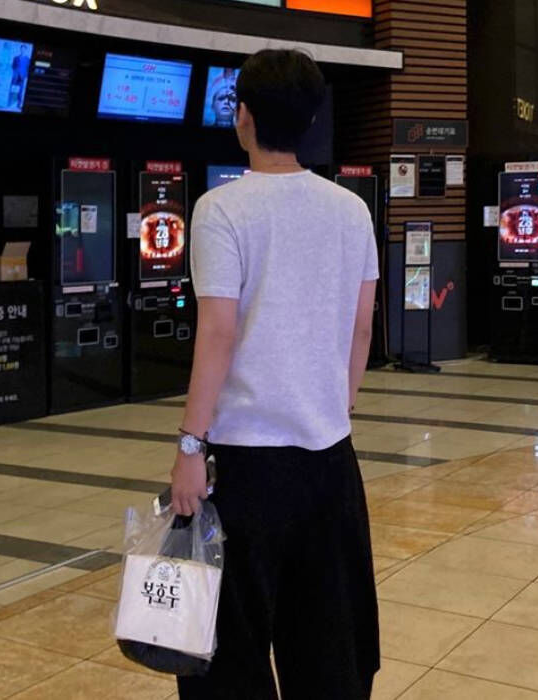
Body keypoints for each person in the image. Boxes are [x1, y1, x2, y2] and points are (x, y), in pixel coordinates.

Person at [172, 49, 380, 699]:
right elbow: (362, 327)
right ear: (311, 120)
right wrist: (337, 403)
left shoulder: (221, 209)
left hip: (245, 468)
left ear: (243, 116)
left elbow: (218, 332)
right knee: (328, 648)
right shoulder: (351, 210)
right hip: (329, 462)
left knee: (229, 655)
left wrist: (190, 447)